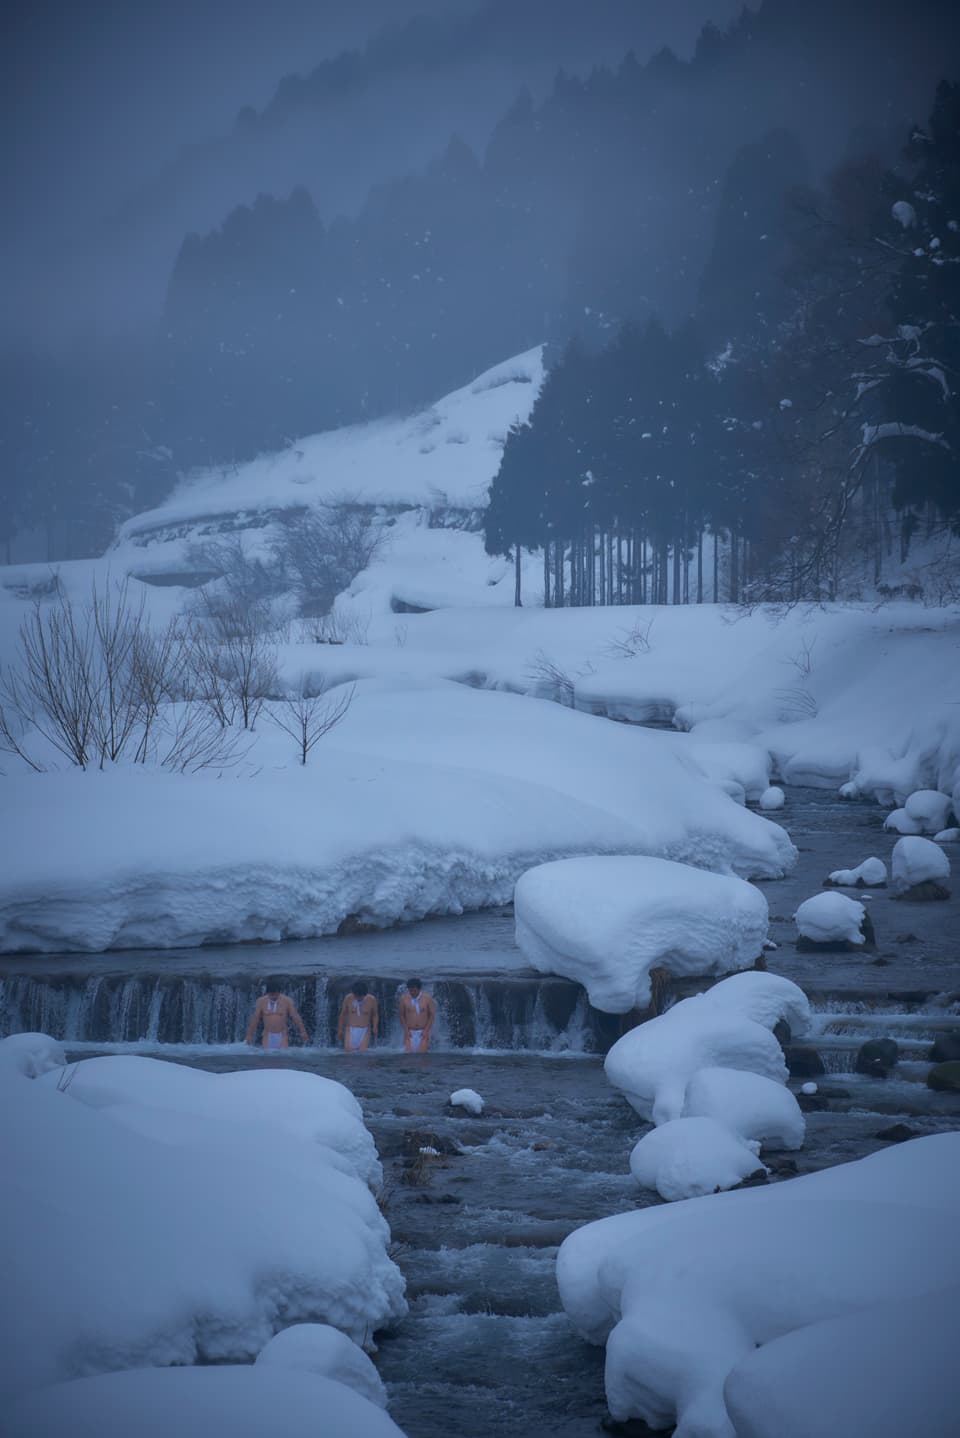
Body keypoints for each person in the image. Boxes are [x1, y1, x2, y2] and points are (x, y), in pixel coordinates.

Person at [245, 978, 309, 1050]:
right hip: (267, 1034)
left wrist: (303, 1031)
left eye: (275, 994)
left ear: (279, 992)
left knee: (282, 1056)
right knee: (267, 1055)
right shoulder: (261, 1001)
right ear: (267, 993)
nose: (274, 997)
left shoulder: (287, 1001)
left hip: (282, 1034)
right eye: (271, 995)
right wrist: (249, 1035)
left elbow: (295, 1017)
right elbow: (255, 1019)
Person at [336, 981, 378, 1052]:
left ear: (365, 994)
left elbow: (375, 1015)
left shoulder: (372, 999)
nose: (358, 998)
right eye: (356, 996)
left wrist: (375, 1027)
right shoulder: (348, 998)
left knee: (361, 1052)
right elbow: (342, 1014)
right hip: (350, 1029)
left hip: (365, 1029)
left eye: (361, 996)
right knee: (348, 1052)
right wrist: (340, 1029)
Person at [398, 977, 436, 1053]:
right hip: (409, 1031)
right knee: (407, 1055)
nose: (412, 992)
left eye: (414, 990)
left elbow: (431, 1015)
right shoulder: (403, 999)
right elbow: (401, 1015)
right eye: (410, 990)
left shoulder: (428, 998)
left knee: (421, 1056)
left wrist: (426, 1030)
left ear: (419, 989)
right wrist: (406, 1030)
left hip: (423, 1031)